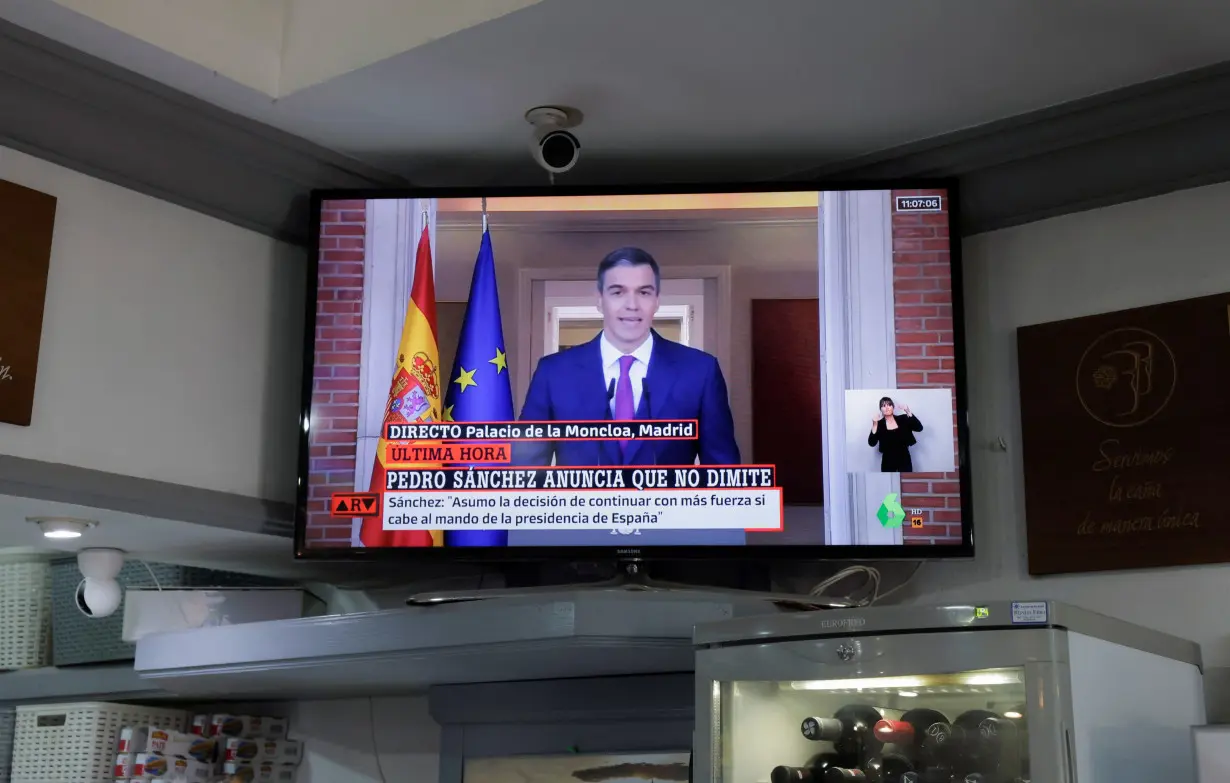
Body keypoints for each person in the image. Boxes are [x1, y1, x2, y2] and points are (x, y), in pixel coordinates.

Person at [510, 246, 743, 545]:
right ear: (600, 300)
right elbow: (526, 471)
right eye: (618, 292)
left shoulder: (700, 370)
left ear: (656, 301)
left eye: (644, 292)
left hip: (673, 545)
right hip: (575, 546)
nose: (631, 305)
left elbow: (722, 474)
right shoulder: (554, 372)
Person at [867, 396, 924, 472]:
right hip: (887, 461)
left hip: (904, 458)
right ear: (880, 409)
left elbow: (919, 428)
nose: (887, 408)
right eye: (883, 406)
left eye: (889, 405)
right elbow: (872, 443)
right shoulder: (879, 424)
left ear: (893, 407)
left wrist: (908, 411)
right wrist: (874, 424)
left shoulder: (903, 419)